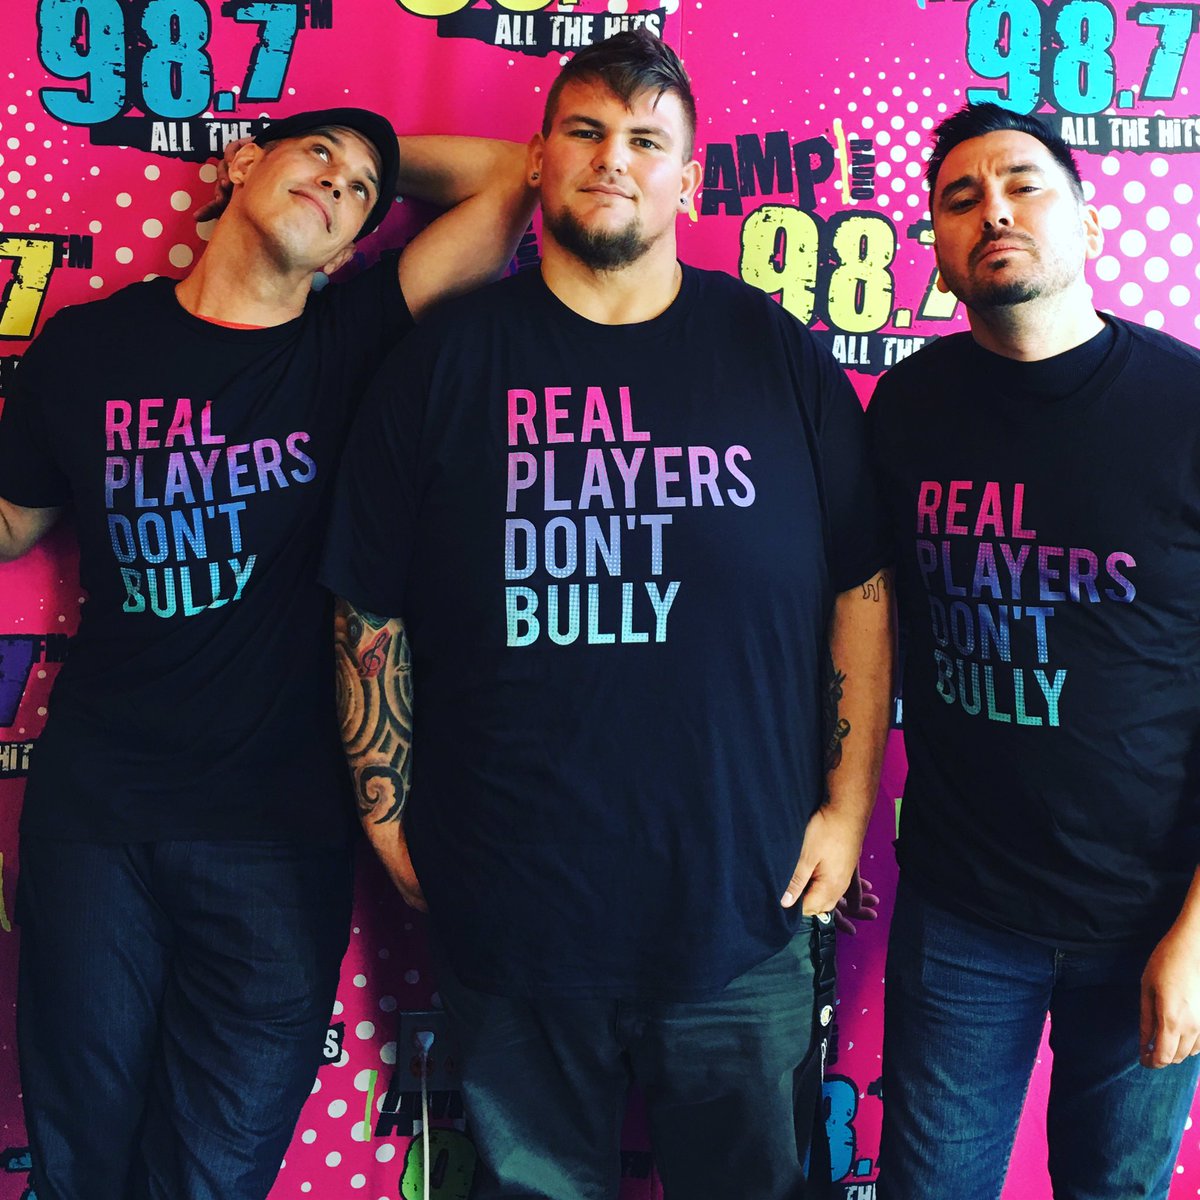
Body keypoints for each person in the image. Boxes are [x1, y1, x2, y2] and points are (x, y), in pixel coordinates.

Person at [321, 31, 893, 1200]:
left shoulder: (773, 353)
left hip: (743, 911)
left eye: (645, 140)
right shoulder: (444, 361)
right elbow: (367, 606)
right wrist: (385, 815)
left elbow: (861, 588)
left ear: (690, 176)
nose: (612, 159)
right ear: (537, 160)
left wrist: (846, 807)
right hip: (512, 910)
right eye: (584, 131)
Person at [0, 107, 534, 1200]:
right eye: (316, 156)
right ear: (240, 160)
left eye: (360, 191)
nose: (336, 183)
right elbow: (13, 522)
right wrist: (333, 161)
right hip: (95, 823)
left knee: (212, 1179)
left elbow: (508, 179)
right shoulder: (89, 347)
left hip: (277, 841)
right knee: (79, 1168)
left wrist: (359, 164)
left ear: (351, 247)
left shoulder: (352, 345)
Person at [869, 101, 1200, 1199]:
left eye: (1023, 185)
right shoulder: (906, 409)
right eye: (960, 199)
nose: (994, 211)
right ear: (938, 250)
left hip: (1150, 916)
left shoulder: (1185, 406)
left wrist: (1198, 936)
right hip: (963, 913)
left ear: (1089, 223)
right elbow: (853, 617)